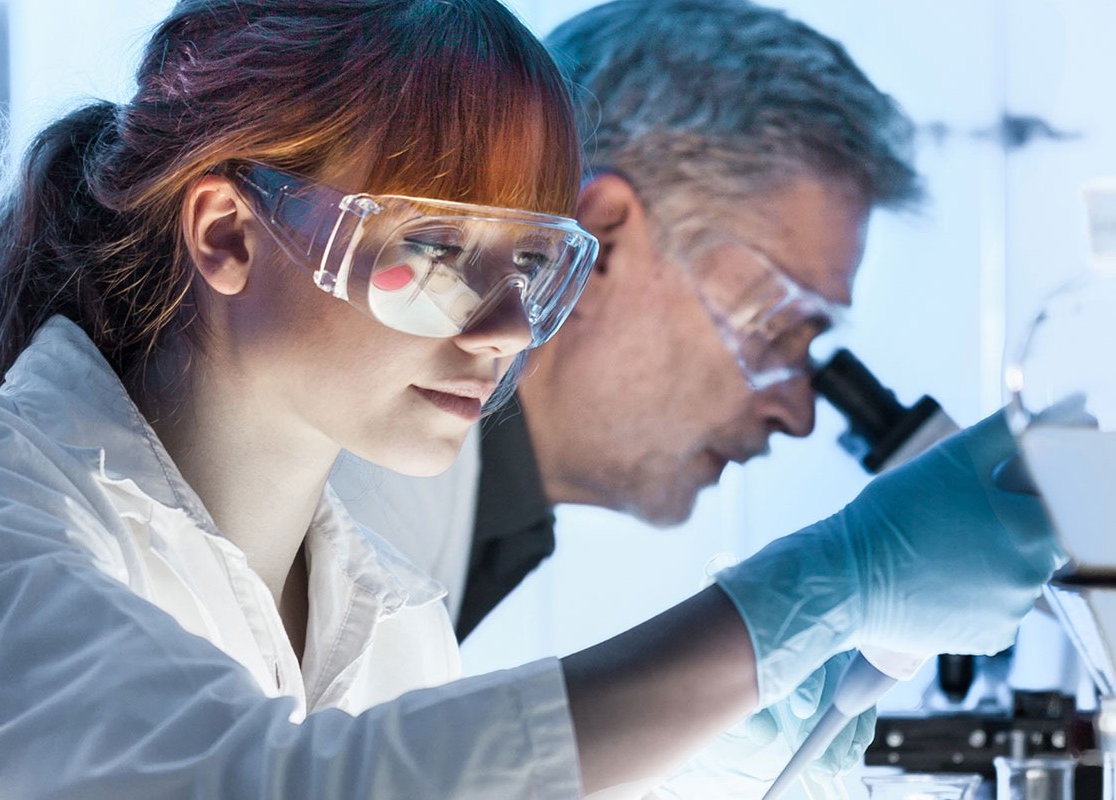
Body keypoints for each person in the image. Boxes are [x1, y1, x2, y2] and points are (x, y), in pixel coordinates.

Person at [0, 1, 1057, 797]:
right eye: (437, 252)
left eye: (535, 269)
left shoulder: (378, 611)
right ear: (226, 232)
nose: (504, 334)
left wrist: (698, 762)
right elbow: (272, 787)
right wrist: (796, 598)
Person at [329, 1, 930, 789]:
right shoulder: (366, 475)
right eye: (776, 327)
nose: (798, 410)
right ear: (599, 241)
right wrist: (776, 624)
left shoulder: (467, 503)